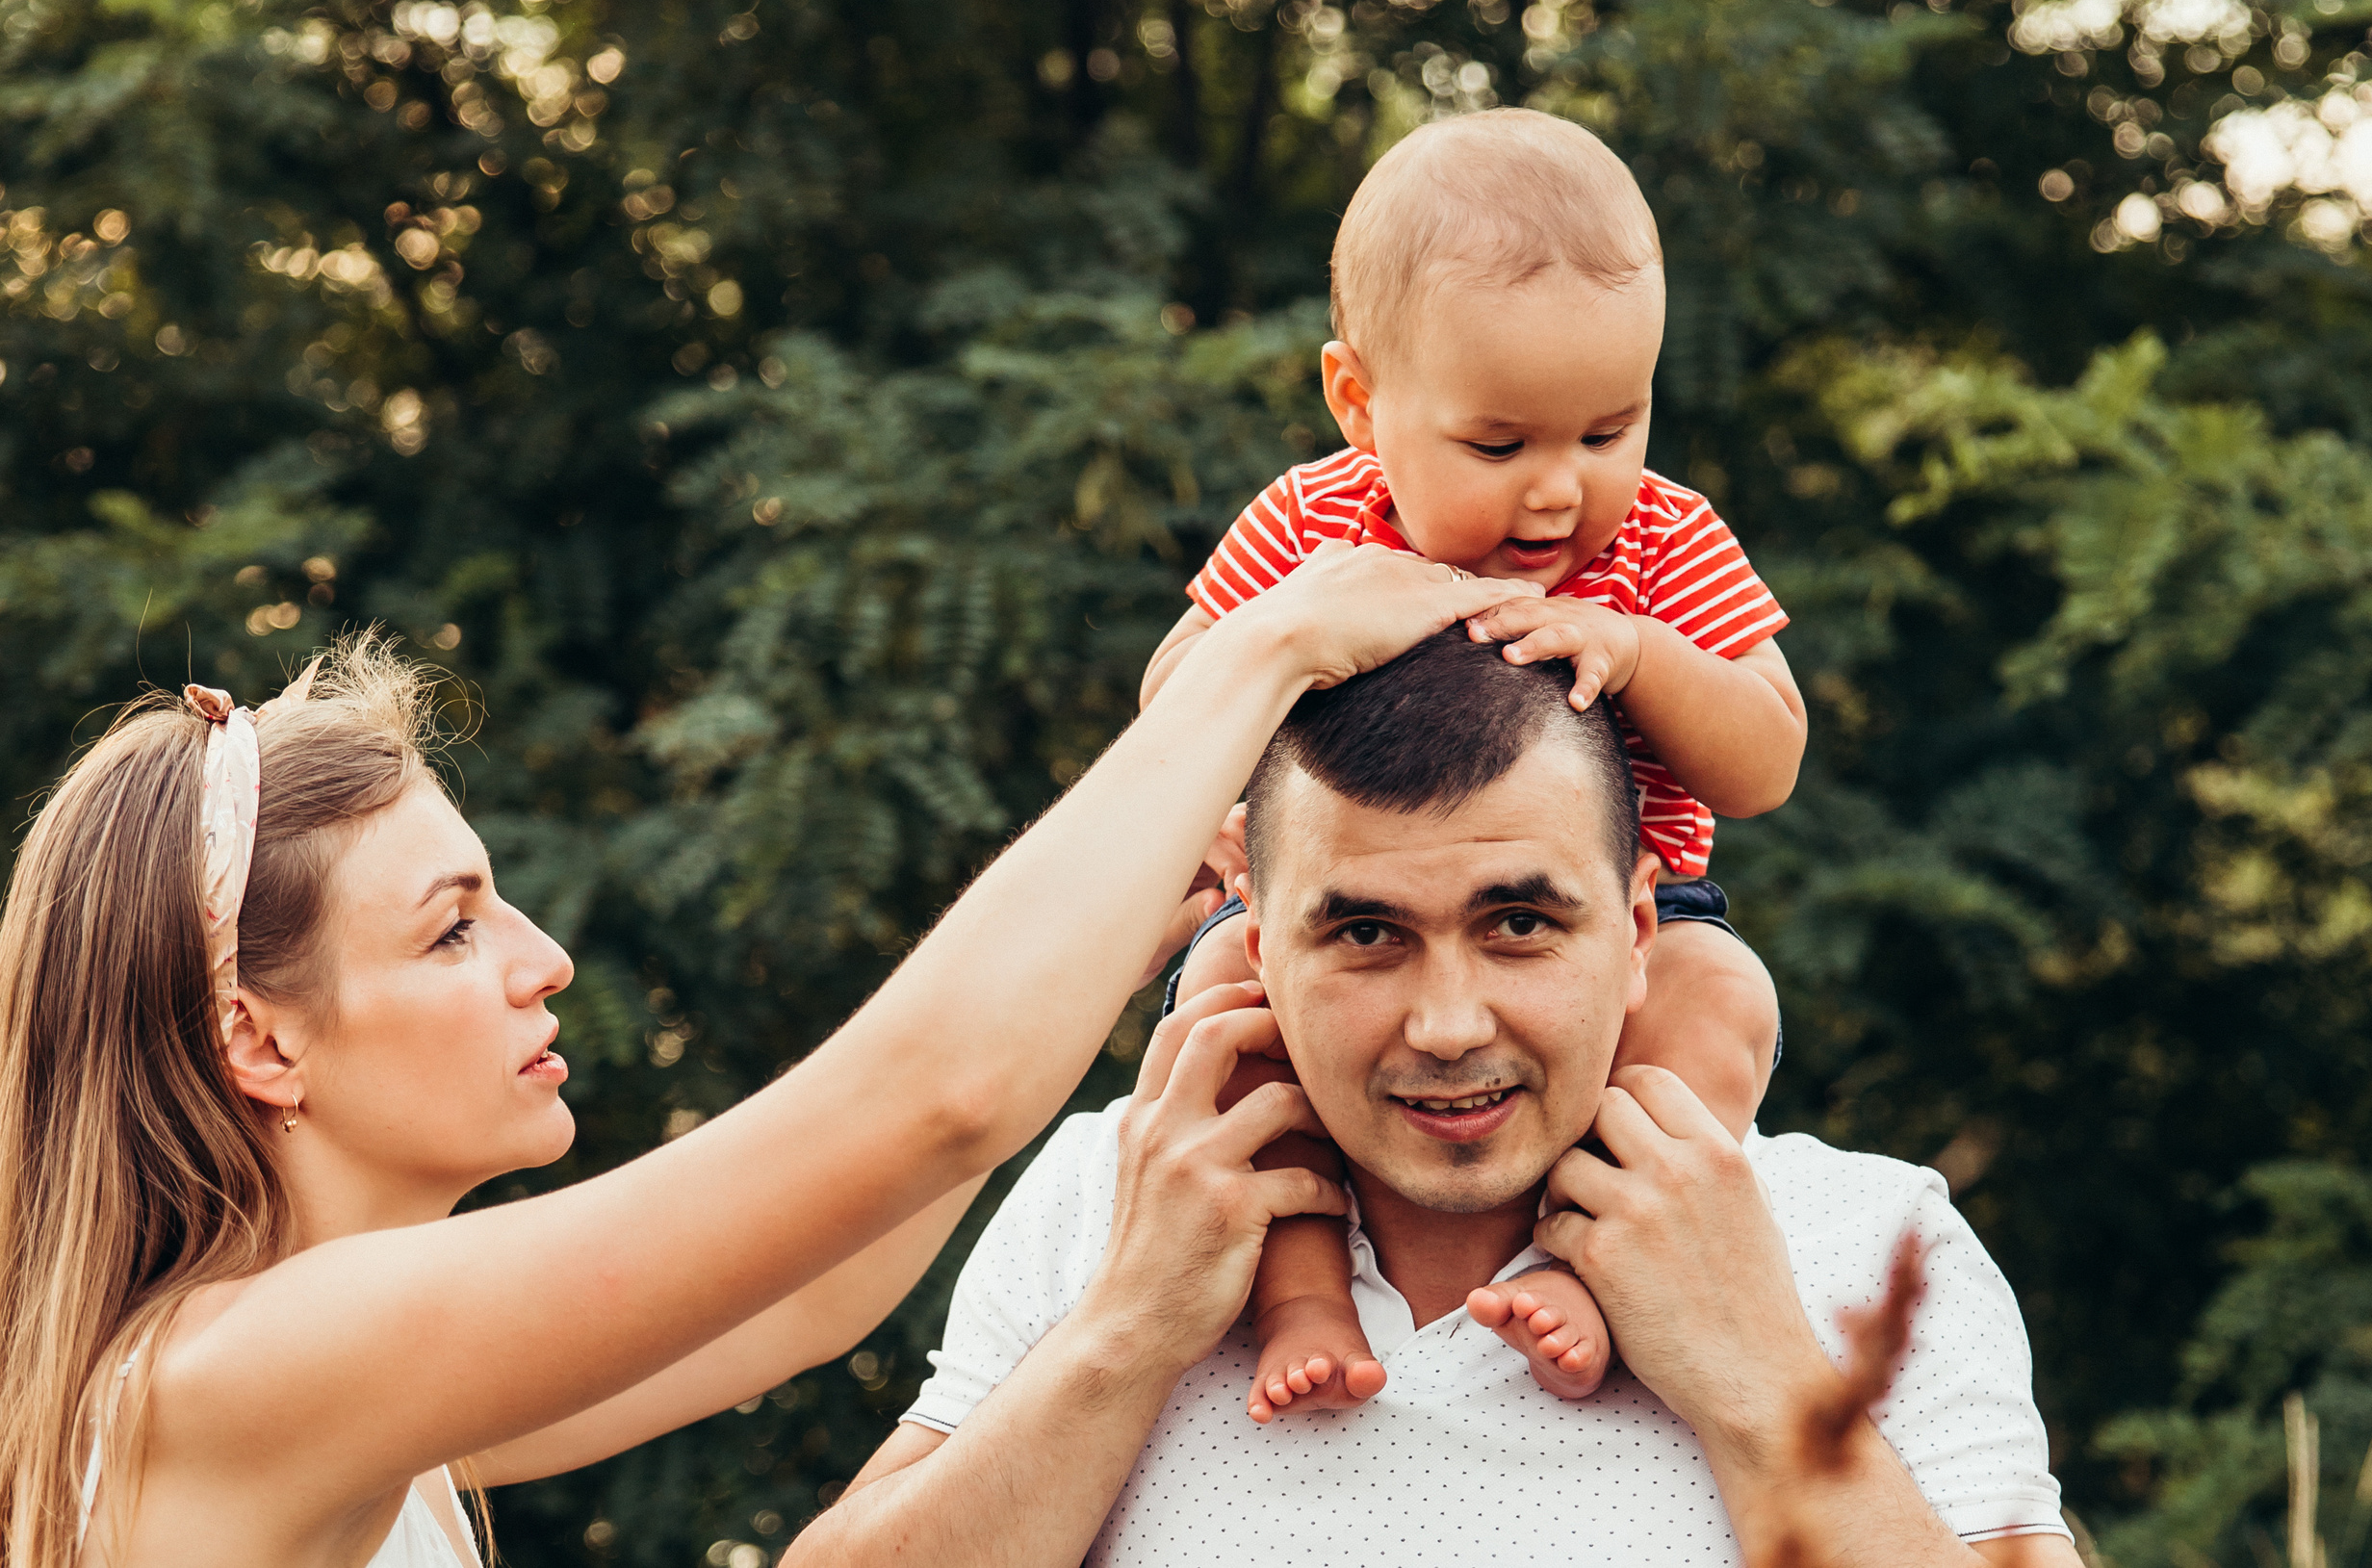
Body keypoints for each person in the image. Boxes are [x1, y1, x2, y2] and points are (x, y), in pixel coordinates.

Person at [0, 545, 1534, 1568]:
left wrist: (1128, 930)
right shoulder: (246, 1373)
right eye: (453, 929)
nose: (546, 961)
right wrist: (1266, 651)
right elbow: (931, 1097)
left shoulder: (321, 1390)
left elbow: (814, 1292)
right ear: (258, 1038)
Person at [793, 631, 2078, 1567]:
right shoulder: (1119, 1190)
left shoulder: (1869, 1237)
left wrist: (1761, 1382)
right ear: (1254, 946)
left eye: (1520, 922)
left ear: (1640, 929)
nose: (1449, 1024)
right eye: (1363, 935)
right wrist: (1125, 1333)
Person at [1137, 106, 1806, 1420]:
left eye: (1609, 432)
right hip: (1340, 926)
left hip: (1627, 921)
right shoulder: (1315, 524)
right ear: (1359, 401)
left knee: (1720, 1001)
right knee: (1222, 999)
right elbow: (1177, 689)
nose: (1559, 493)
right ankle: (1301, 1290)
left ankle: (1590, 1262)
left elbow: (1767, 759)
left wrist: (1642, 652)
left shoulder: (1665, 545)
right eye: (1499, 447)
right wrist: (1217, 785)